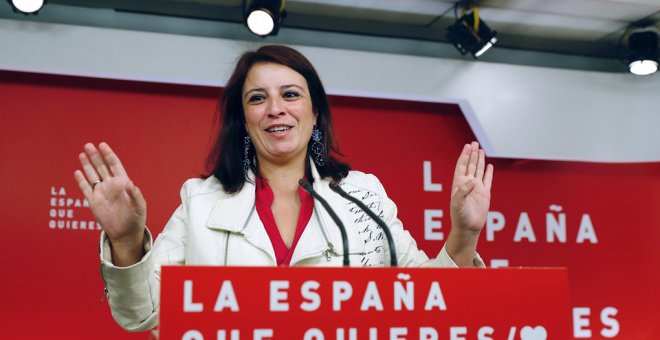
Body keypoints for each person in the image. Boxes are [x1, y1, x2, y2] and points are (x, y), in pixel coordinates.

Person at [73, 45, 494, 331]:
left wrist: (465, 234)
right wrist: (126, 242)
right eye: (258, 98)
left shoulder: (365, 196)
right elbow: (143, 314)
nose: (275, 108)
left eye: (290, 94)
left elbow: (428, 304)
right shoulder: (200, 202)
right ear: (244, 119)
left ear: (314, 113)